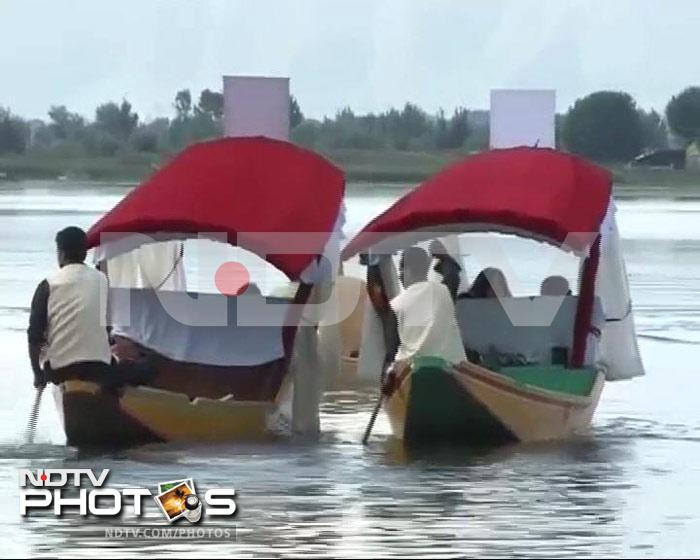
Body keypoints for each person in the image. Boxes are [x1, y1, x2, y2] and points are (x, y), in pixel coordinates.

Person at [27, 226, 152, 388]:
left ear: (61, 254)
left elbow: (34, 336)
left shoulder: (48, 284)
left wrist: (38, 374)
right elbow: (107, 328)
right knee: (148, 368)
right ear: (85, 253)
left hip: (60, 372)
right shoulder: (102, 280)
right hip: (99, 370)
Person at [389, 247, 466, 365]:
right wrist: (443, 256)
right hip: (452, 368)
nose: (400, 276)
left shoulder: (395, 305)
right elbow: (453, 275)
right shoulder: (444, 291)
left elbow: (391, 347)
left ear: (407, 270)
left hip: (411, 371)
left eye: (401, 270)